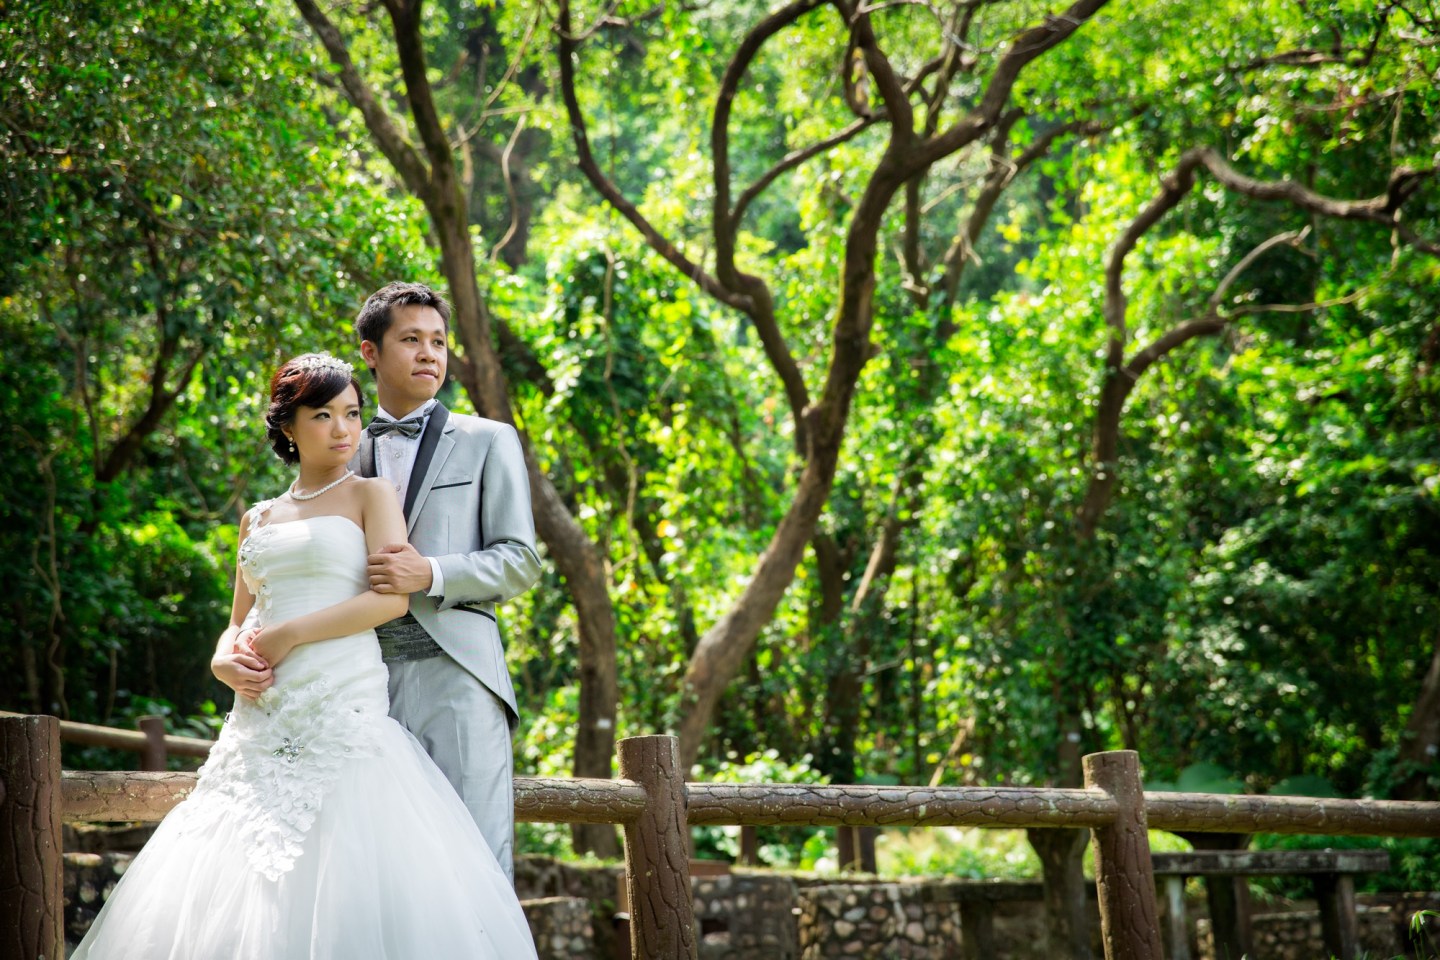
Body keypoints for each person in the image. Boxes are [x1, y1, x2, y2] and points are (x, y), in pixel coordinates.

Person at [72, 354, 538, 959]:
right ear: (288, 426)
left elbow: (390, 601)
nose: (343, 429)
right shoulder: (257, 517)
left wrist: (290, 635)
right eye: (323, 415)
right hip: (262, 714)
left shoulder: (371, 495)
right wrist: (222, 662)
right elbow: (238, 620)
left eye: (352, 414)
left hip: (340, 702)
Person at [349, 281, 541, 881]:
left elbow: (520, 560)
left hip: (459, 676)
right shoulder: (338, 447)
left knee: (475, 864)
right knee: (378, 869)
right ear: (370, 352)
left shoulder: (489, 439)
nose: (429, 353)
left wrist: (430, 572)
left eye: (438, 341)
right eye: (411, 340)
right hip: (359, 683)